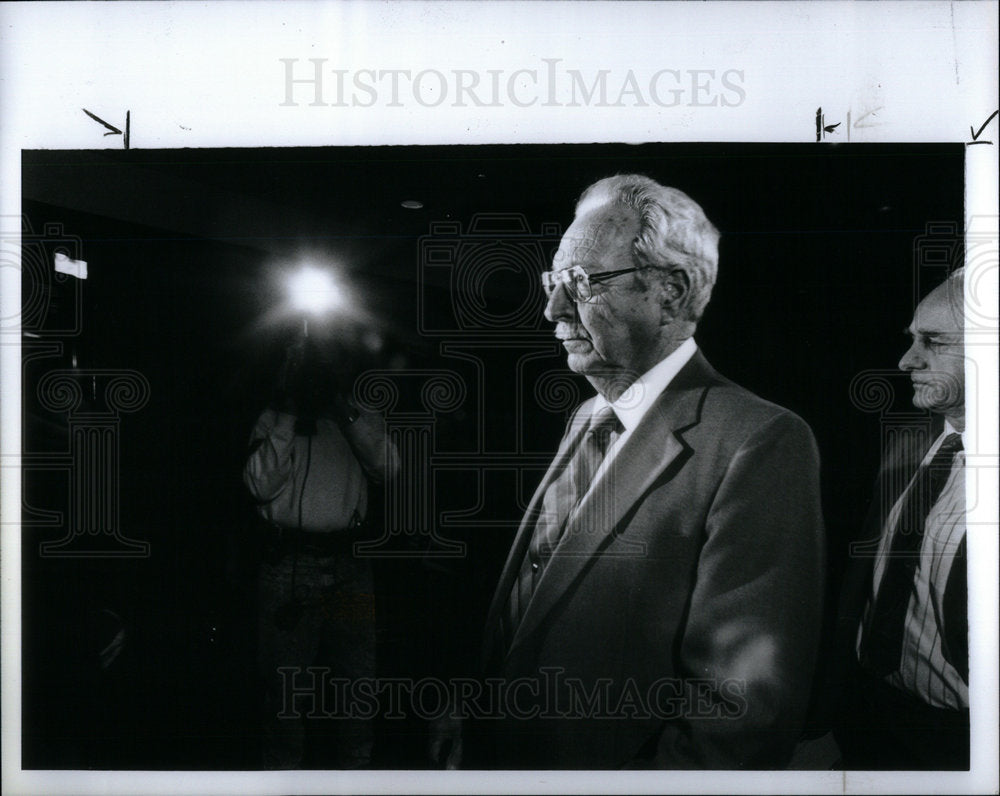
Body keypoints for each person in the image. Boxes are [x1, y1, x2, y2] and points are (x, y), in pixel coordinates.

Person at [468, 174, 826, 769]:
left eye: (581, 282)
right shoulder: (589, 414)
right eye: (555, 281)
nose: (553, 308)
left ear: (672, 292)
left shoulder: (761, 441)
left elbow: (740, 716)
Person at [834, 269, 969, 769]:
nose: (906, 360)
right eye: (913, 339)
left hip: (962, 744)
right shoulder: (908, 438)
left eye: (933, 341)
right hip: (869, 715)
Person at [244, 332, 397, 769]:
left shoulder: (360, 415)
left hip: (350, 567)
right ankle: (284, 774)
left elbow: (388, 469)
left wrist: (341, 408)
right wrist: (289, 405)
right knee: (285, 690)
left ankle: (356, 771)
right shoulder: (275, 418)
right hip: (288, 568)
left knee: (358, 684)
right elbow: (259, 484)